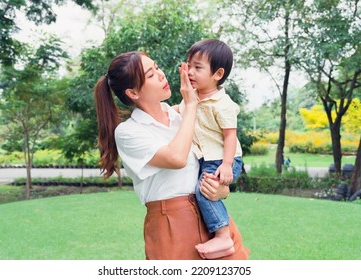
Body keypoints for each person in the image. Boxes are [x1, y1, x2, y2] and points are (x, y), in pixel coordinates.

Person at [93, 51, 249, 260]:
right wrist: (192, 104)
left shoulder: (180, 116)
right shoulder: (129, 132)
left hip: (212, 219)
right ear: (133, 93)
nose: (161, 75)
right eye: (150, 74)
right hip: (171, 225)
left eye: (157, 67)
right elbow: (176, 158)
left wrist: (221, 190)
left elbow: (219, 153)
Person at [176, 39, 242, 259]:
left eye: (197, 67)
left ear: (218, 74)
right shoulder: (190, 99)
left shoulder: (223, 104)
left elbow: (230, 136)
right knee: (199, 191)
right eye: (189, 65)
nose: (191, 72)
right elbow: (177, 111)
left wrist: (227, 165)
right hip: (206, 159)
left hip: (223, 158)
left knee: (204, 192)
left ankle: (223, 236)